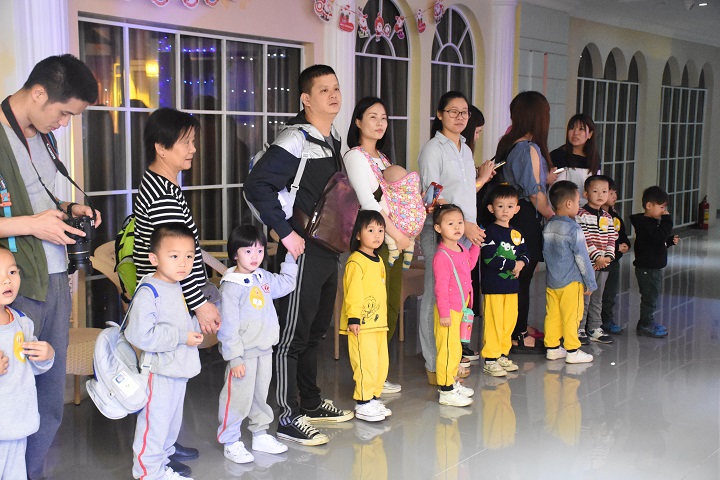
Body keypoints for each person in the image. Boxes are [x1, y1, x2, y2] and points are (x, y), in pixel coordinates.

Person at [0, 54, 100, 479]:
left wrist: (68, 208)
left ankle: (31, 472)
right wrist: (32, 225)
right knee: (10, 392)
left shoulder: (44, 138)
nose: (63, 124)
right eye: (63, 113)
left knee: (47, 394)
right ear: (38, 93)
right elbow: (26, 217)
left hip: (54, 275)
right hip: (14, 282)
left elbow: (38, 199)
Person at [244, 64, 353, 447]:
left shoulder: (332, 138)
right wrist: (285, 232)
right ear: (306, 99)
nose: (334, 95)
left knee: (315, 331)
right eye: (324, 90)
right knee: (291, 337)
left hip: (327, 250)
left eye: (336, 88)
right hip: (301, 251)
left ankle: (310, 402)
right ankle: (288, 417)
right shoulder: (294, 139)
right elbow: (256, 186)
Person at [133, 107, 218, 470]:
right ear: (161, 148)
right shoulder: (162, 194)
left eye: (193, 141)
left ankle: (165, 449)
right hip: (168, 302)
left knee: (174, 381)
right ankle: (153, 462)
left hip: (172, 298)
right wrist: (200, 303)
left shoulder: (160, 185)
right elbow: (177, 260)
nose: (193, 149)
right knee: (164, 385)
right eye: (185, 142)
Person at [418, 92, 494, 384]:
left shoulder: (465, 149)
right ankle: (434, 364)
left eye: (464, 112)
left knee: (459, 296)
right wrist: (464, 224)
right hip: (441, 230)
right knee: (435, 295)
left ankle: (451, 357)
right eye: (453, 111)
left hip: (464, 230)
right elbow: (432, 197)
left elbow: (463, 191)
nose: (460, 117)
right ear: (439, 114)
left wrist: (481, 181)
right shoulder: (433, 150)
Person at [125, 224, 204, 480]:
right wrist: (182, 337)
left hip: (176, 368)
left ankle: (164, 460)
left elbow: (177, 322)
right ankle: (148, 473)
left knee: (170, 421)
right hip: (158, 372)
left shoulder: (175, 285)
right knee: (154, 425)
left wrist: (194, 328)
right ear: (154, 258)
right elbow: (140, 335)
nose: (183, 263)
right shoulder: (150, 291)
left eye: (189, 256)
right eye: (174, 256)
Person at [217, 225, 296, 460]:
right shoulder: (231, 286)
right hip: (243, 354)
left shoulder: (262, 277)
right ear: (235, 254)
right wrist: (234, 358)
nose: (255, 256)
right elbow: (228, 326)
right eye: (248, 251)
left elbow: (286, 283)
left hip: (265, 350)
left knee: (260, 396)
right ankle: (230, 440)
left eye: (260, 251)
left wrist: (291, 257)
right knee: (237, 398)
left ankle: (260, 434)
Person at [344, 97, 408, 389]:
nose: (380, 123)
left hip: (393, 238)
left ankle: (379, 375)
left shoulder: (383, 158)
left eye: (383, 117)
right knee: (371, 310)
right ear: (358, 122)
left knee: (390, 304)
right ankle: (367, 378)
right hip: (374, 242)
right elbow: (368, 203)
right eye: (373, 117)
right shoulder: (355, 157)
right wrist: (396, 234)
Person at [494, 91, 555, 355]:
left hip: (511, 217)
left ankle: (515, 329)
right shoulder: (527, 148)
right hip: (524, 218)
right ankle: (517, 334)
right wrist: (554, 215)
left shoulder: (508, 143)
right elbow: (534, 194)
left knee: (515, 276)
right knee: (521, 276)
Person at [0, 245, 55, 479]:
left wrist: (46, 356)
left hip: (17, 421)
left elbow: (30, 365)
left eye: (12, 272)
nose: (7, 280)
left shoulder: (22, 322)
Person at [340, 210, 393, 422]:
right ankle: (363, 402)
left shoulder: (378, 260)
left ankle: (373, 397)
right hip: (361, 325)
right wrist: (354, 318)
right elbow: (353, 291)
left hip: (378, 324)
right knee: (365, 363)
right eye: (370, 230)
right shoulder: (355, 261)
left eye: (380, 230)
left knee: (381, 363)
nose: (377, 235)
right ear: (358, 234)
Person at [542, 181, 596, 364]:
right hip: (571, 281)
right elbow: (582, 257)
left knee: (553, 315)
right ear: (568, 203)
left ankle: (552, 348)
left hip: (552, 280)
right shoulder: (574, 228)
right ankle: (572, 350)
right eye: (577, 202)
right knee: (572, 316)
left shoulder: (548, 226)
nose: (579, 205)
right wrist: (590, 282)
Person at [480, 185, 529, 377]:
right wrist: (512, 264)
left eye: (510, 206)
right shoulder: (490, 232)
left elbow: (525, 254)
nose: (505, 210)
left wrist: (521, 264)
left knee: (509, 321)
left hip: (511, 287)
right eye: (500, 206)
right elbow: (489, 258)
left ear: (517, 209)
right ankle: (490, 358)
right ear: (491, 208)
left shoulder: (516, 233)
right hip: (494, 287)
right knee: (494, 322)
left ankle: (502, 353)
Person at [432, 204, 478, 406]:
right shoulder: (441, 256)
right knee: (447, 350)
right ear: (438, 228)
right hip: (448, 310)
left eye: (460, 222)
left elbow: (469, 265)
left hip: (460, 306)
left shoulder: (460, 248)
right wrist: (444, 313)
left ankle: (452, 381)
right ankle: (446, 390)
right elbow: (440, 288)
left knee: (456, 349)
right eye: (450, 224)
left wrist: (476, 246)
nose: (457, 227)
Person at [630, 186, 679, 338]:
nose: (664, 211)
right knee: (649, 297)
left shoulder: (651, 223)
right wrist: (667, 221)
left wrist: (668, 241)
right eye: (661, 207)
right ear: (649, 205)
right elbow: (658, 237)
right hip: (647, 268)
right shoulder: (645, 224)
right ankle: (646, 325)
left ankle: (645, 322)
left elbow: (655, 243)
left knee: (651, 296)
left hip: (651, 267)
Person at [575, 175, 618, 345]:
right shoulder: (580, 214)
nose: (600, 195)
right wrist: (596, 257)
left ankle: (594, 327)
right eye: (595, 191)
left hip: (603, 265)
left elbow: (612, 238)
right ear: (586, 194)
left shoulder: (608, 217)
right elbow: (584, 238)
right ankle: (579, 328)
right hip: (587, 265)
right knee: (584, 297)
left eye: (604, 191)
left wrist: (608, 257)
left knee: (598, 298)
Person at [378, 164, 425, 268]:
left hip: (399, 229)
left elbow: (380, 211)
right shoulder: (413, 191)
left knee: (388, 231)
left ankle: (393, 251)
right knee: (411, 240)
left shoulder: (389, 195)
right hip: (416, 227)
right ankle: (408, 256)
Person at [550, 114, 601, 206]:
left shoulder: (594, 158)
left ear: (590, 134)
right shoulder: (558, 155)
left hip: (587, 210)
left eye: (581, 129)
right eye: (572, 128)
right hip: (562, 209)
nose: (575, 133)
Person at [600, 177, 630, 334]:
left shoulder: (615, 217)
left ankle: (607, 320)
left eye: (614, 193)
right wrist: (615, 247)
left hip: (614, 262)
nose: (614, 196)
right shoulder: (594, 216)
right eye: (610, 193)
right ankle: (591, 323)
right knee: (596, 294)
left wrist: (625, 245)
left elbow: (622, 234)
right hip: (599, 261)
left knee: (610, 293)